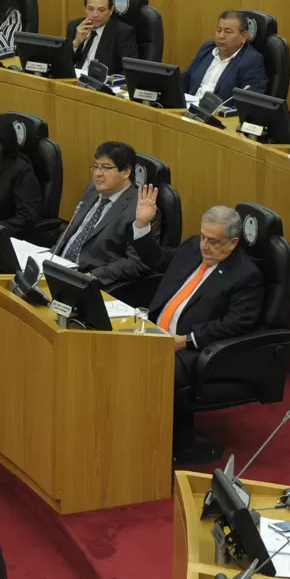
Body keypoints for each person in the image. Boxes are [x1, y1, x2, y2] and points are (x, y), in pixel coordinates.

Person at [131, 190, 264, 395]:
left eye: (213, 241)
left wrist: (187, 340)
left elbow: (234, 324)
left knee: (139, 371)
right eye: (203, 237)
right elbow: (158, 260)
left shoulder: (246, 275)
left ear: (233, 242)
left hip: (189, 349)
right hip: (152, 331)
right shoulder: (193, 246)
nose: (205, 246)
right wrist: (141, 225)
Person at [51, 142, 155, 290]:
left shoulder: (140, 209)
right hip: (58, 266)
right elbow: (74, 230)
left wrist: (95, 276)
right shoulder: (93, 189)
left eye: (106, 168)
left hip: (89, 279)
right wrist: (51, 255)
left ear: (126, 172)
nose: (98, 174)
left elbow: (136, 262)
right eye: (95, 166)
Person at [180, 10, 269, 99]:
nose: (221, 36)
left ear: (244, 36)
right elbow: (183, 81)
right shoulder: (206, 49)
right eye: (219, 30)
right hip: (187, 109)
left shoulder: (251, 60)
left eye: (228, 31)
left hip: (216, 112)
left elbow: (248, 101)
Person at [65, 0, 138, 75]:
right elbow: (62, 64)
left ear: (111, 11)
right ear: (84, 8)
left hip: (100, 86)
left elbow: (130, 71)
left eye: (101, 10)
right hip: (71, 82)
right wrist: (76, 43)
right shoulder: (75, 26)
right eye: (91, 9)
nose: (95, 15)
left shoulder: (123, 33)